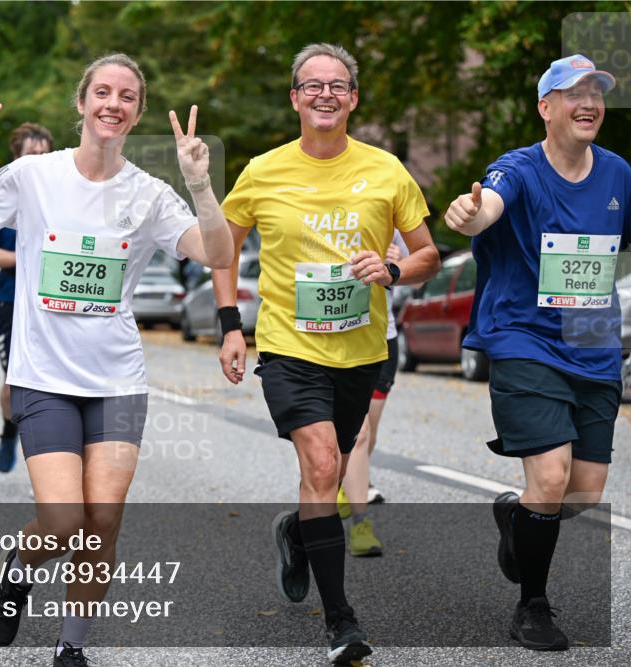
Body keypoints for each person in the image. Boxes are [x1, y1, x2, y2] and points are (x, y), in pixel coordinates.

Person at [0, 53, 232, 666]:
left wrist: (200, 184)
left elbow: (217, 252)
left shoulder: (149, 194)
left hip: (117, 381)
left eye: (127, 97)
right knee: (64, 519)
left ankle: (72, 646)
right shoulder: (33, 175)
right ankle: (20, 571)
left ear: (137, 113)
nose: (113, 104)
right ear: (82, 103)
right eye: (102, 92)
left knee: (102, 521)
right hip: (43, 377)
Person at [213, 43, 440, 664]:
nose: (325, 94)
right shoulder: (263, 171)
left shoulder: (387, 170)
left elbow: (427, 254)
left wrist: (392, 269)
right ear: (295, 98)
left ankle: (298, 529)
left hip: (361, 349)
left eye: (337, 85)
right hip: (289, 346)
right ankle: (341, 621)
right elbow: (222, 250)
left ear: (353, 99)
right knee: (319, 466)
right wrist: (231, 326)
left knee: (331, 473)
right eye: (312, 85)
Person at [444, 54, 629, 652]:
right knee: (549, 478)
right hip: (524, 340)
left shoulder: (619, 174)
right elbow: (488, 206)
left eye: (596, 93)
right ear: (545, 108)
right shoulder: (517, 168)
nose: (588, 103)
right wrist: (471, 214)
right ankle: (533, 605)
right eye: (573, 93)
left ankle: (517, 515)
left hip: (593, 344)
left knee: (581, 494)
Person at [0, 122, 55, 473]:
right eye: (32, 155)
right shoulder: (2, 198)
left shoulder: (64, 198)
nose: (39, 161)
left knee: (53, 386)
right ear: (17, 158)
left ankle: (52, 457)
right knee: (14, 385)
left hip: (52, 304)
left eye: (45, 155)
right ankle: (9, 432)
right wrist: (29, 256)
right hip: (12, 303)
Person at [337, 233, 409, 557]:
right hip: (339, 334)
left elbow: (421, 271)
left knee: (369, 433)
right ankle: (360, 525)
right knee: (360, 433)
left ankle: (345, 482)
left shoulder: (393, 220)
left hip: (382, 336)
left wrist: (398, 266)